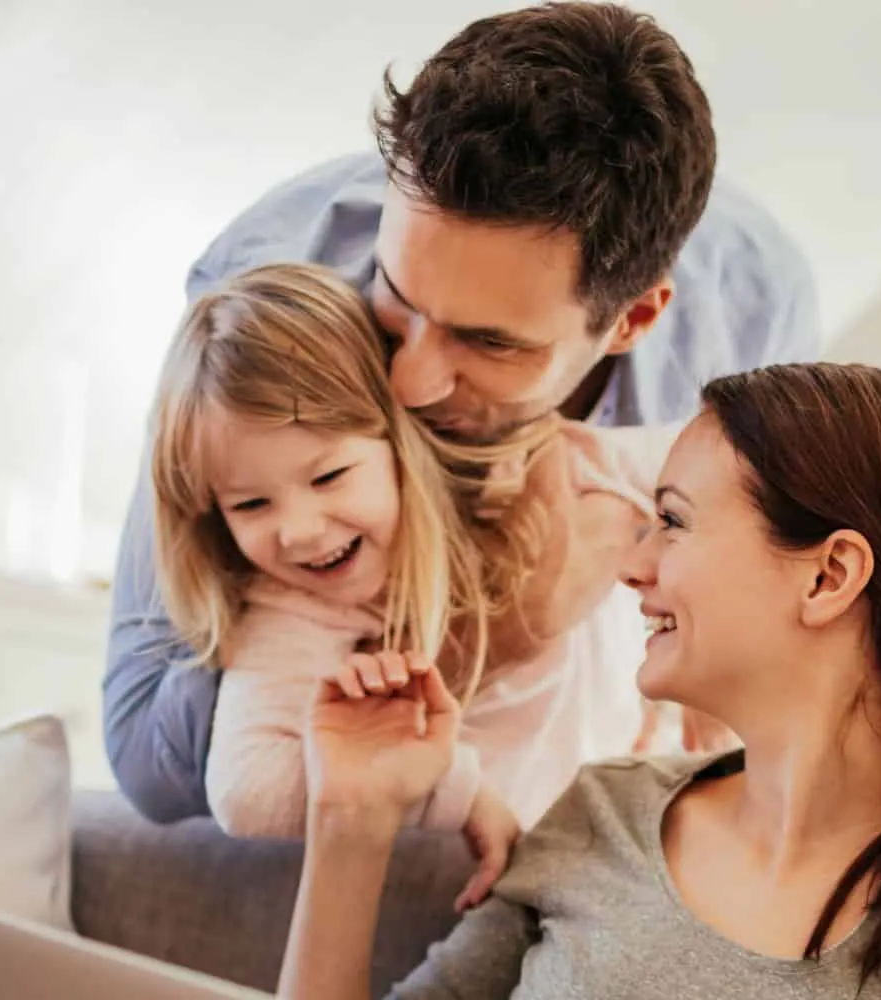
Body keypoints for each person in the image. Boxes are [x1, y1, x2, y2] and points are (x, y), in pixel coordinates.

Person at [106, 1, 819, 825]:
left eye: (489, 343)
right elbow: (148, 761)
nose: (406, 382)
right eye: (396, 297)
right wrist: (488, 632)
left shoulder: (752, 315)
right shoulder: (262, 297)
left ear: (632, 320)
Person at [283, 363, 881, 1000]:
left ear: (828, 575)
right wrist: (350, 817)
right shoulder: (600, 814)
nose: (633, 565)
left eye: (674, 522)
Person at [151, 261, 661, 908]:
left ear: (400, 440)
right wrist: (453, 788)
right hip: (531, 878)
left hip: (648, 816)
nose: (300, 531)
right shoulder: (291, 605)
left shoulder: (540, 472)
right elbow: (246, 792)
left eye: (329, 476)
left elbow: (727, 473)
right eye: (250, 506)